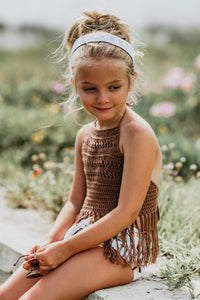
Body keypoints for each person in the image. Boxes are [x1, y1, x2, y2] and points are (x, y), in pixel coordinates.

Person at [0, 10, 162, 300]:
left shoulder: (136, 134)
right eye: (90, 89)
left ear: (132, 81)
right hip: (83, 237)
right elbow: (76, 202)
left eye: (114, 87)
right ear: (75, 85)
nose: (103, 98)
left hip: (123, 247)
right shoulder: (85, 135)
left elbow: (127, 212)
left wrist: (65, 249)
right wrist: (50, 242)